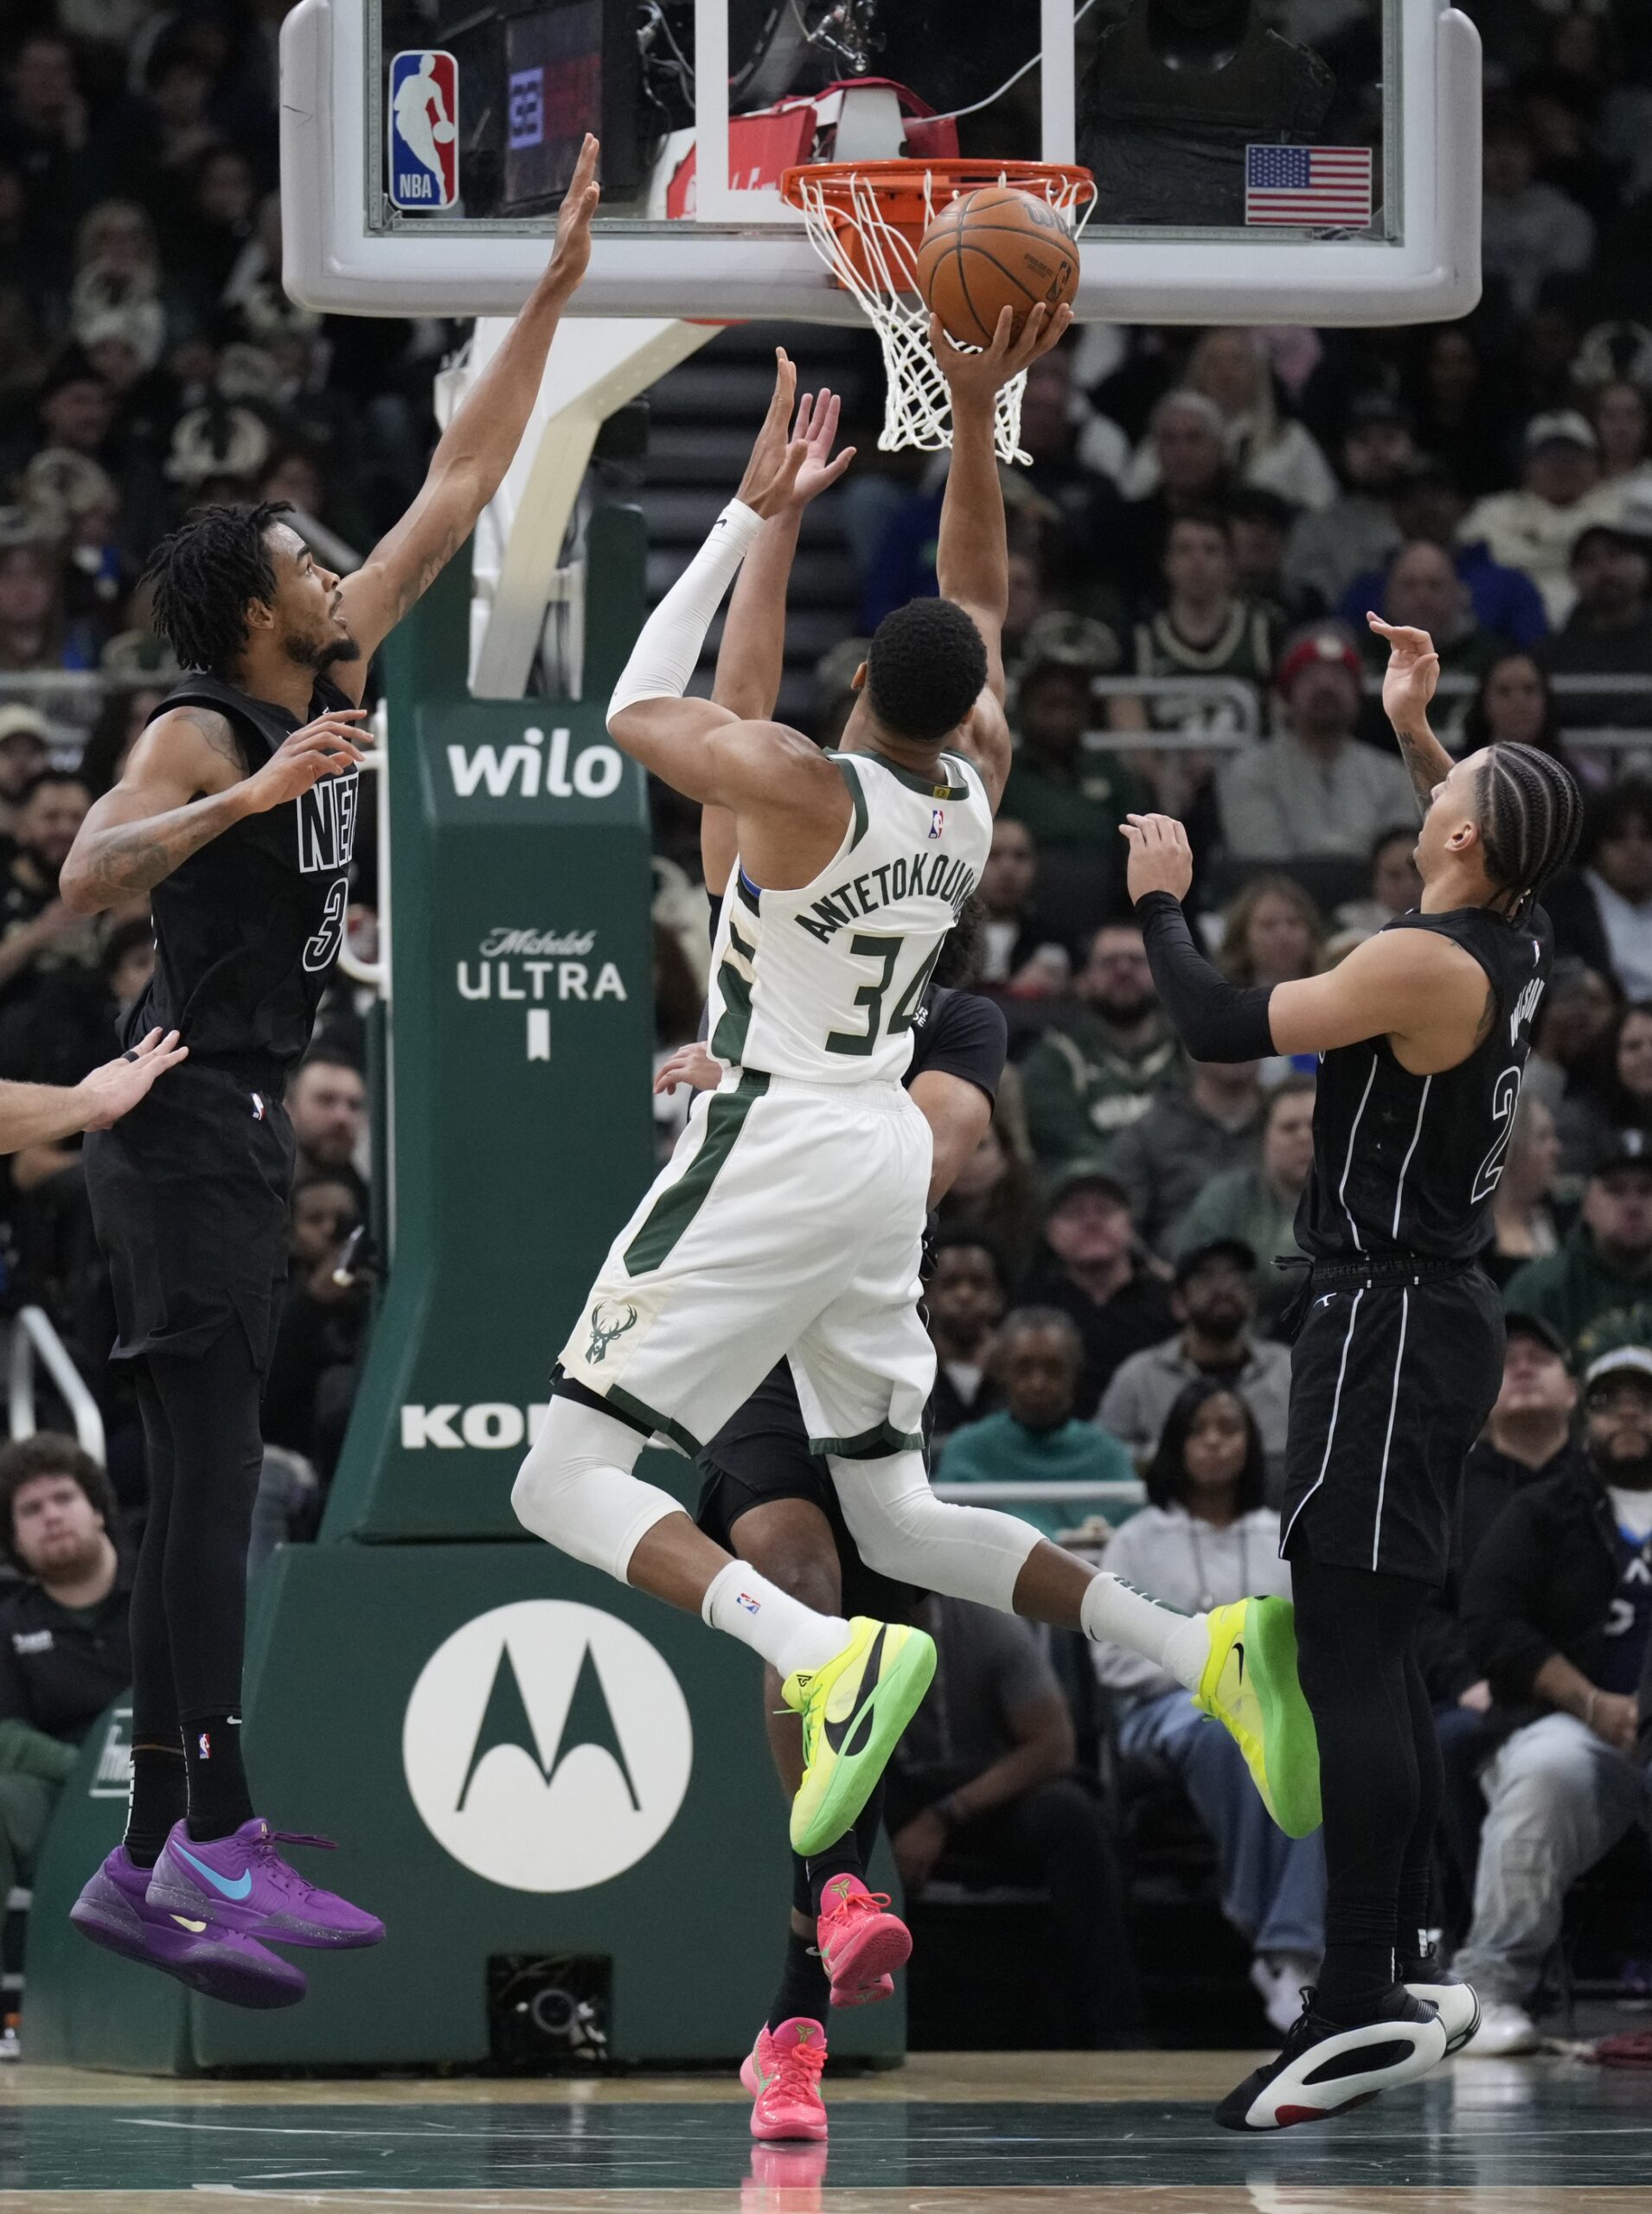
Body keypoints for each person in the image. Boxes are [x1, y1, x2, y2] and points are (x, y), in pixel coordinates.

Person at [511, 320, 1314, 2057]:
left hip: (777, 1132)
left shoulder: (799, 786)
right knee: (893, 1516)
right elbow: (978, 596)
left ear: (861, 679)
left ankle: (811, 1656)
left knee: (557, 1473)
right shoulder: (965, 790)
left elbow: (639, 708)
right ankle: (1200, 1650)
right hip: (879, 1153)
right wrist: (966, 427)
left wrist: (742, 519)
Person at [57, 138, 608, 2005]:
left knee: (223, 1488)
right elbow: (84, 877)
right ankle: (180, 1839)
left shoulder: (327, 674)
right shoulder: (205, 720)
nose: (330, 566)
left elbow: (460, 483)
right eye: (304, 558)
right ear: (250, 610)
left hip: (236, 1131)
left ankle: (182, 1837)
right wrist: (247, 792)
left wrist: (549, 295)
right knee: (203, 1498)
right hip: (182, 1119)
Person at [1119, 609, 1582, 2126]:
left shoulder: (1421, 960)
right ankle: (1391, 1972)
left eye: (1454, 787)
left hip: (1389, 1320)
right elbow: (1481, 826)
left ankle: (1354, 1995)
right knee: (1366, 1654)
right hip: (1416, 1313)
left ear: (1461, 837)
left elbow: (1211, 1022)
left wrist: (1166, 901)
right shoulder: (1513, 931)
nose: (1435, 799)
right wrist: (1417, 729)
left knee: (1354, 1660)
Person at [1096, 1380, 1323, 2032]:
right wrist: (1212, 1679)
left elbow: (1310, 1642)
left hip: (1276, 1705)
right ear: (1176, 1445)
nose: (1217, 1441)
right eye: (1201, 1429)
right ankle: (1270, 1930)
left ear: (1253, 1446)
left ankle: (1292, 1949)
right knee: (1228, 1733)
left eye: (1231, 1428)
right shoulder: (1138, 1539)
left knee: (1318, 1747)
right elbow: (1111, 1657)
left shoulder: (1280, 1534)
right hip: (1167, 1708)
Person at [1454, 1346, 1652, 2056]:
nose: (1630, 1413)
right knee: (1547, 1774)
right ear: (1584, 1415)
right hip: (1575, 1727)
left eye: (1645, 1399)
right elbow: (1490, 1619)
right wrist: (1593, 1703)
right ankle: (1489, 1989)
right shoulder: (1545, 1509)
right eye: (1611, 1400)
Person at [887, 1592, 1142, 2048]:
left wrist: (944, 1815)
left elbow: (1053, 1746)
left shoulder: (986, 1625)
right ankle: (848, 2020)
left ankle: (1112, 2023)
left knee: (1071, 1816)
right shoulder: (832, 1627)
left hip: (989, 1788)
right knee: (833, 1818)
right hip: (890, 1788)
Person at [1417, 1316, 1583, 1911]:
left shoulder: (1614, 1484)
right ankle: (1479, 1934)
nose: (1524, 1365)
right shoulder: (1440, 1491)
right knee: (1452, 1744)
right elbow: (1417, 1611)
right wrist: (1466, 1681)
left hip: (1602, 1687)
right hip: (1481, 1695)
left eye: (1542, 1355)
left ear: (1575, 1391)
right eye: (1506, 1359)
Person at [0, 1437, 135, 1922]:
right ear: (15, 1539)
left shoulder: (167, 1589)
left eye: (63, 1498)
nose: (51, 1516)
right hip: (63, 1803)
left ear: (97, 1510)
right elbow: (6, 1737)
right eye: (31, 1509)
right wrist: (86, 1770)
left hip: (178, 1787)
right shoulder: (9, 1625)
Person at [1100, 1242, 1293, 1489]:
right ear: (1178, 1304)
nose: (1223, 1287)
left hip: (1277, 1520)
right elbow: (1103, 1457)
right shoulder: (1139, 1376)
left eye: (1236, 1276)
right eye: (1206, 1277)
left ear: (1253, 1296)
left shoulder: (1289, 1369)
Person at [1217, 626, 1417, 863]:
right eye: (1310, 676)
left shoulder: (1394, 776)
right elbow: (1261, 859)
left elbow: (1396, 862)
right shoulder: (1250, 772)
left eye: (1338, 676)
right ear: (1286, 696)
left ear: (1358, 696)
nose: (1325, 685)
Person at [938, 1308, 1137, 1541]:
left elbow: (1133, 1542)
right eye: (1023, 1368)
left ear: (1074, 1374)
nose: (1038, 1383)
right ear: (1002, 1372)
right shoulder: (967, 1450)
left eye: (1053, 1369)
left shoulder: (1107, 1455)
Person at [1019, 923, 1183, 1168]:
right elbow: (1064, 1144)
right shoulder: (1055, 1061)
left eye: (1137, 961)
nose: (1124, 971)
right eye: (1109, 962)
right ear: (1085, 978)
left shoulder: (1193, 1054)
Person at [1021, 1165, 1178, 1419]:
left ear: (1129, 1224)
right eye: (1074, 1213)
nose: (1092, 1222)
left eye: (1105, 1210)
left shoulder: (1171, 1301)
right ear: (1050, 1232)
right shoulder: (1032, 1305)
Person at [1170, 1077, 1317, 1334]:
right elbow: (1192, 1280)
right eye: (1289, 1128)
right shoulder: (1225, 1200)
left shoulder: (1362, 1200)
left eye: (1315, 1125)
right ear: (1264, 1136)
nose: (1304, 1137)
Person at [1460, 414, 1625, 628]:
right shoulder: (1492, 514)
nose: (1561, 465)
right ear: (1527, 465)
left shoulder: (1623, 509)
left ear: (1595, 463)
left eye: (1572, 457)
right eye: (1549, 457)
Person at [1502, 1132, 1652, 1353]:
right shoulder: (1539, 1290)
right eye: (1615, 1190)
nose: (1633, 1206)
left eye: (1646, 1190)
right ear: (1587, 1203)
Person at [1102, 1057, 1266, 1252]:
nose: (1238, 1046)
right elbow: (1124, 1228)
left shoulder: (1292, 1123)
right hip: (1173, 1273)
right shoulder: (1147, 1135)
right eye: (1223, 1032)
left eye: (1250, 1033)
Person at [1284, 394, 1419, 615]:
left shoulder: (1435, 516)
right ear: (1343, 452)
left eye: (1389, 438)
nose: (1377, 453)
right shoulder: (1315, 529)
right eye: (1363, 440)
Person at [1533, 518, 1652, 731]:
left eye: (1614, 556)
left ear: (1643, 566)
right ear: (1573, 577)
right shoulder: (1552, 655)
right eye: (1588, 561)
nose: (1604, 570)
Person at [925, 1229, 1008, 1447]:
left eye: (978, 1283)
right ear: (927, 1296)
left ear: (999, 1297)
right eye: (950, 1283)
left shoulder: (1021, 1366)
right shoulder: (904, 1367)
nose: (965, 1295)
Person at [1486, 1098, 1564, 1283]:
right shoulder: (1475, 1235)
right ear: (1513, 1148)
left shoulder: (1564, 1220)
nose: (1556, 1149)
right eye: (1542, 1137)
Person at [1336, 825, 1425, 939]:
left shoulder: (1451, 922)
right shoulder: (1347, 923)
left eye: (1417, 874)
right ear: (1373, 879)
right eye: (1394, 875)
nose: (1408, 885)